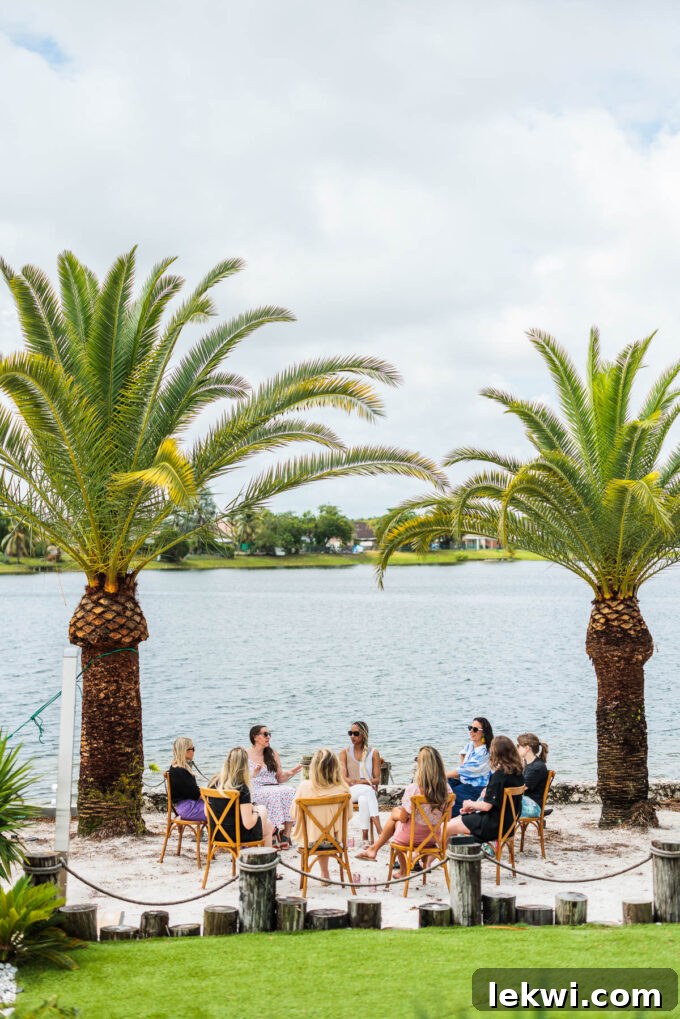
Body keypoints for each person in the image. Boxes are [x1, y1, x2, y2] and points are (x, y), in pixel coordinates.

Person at [355, 745, 450, 874]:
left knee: (396, 822)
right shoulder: (447, 790)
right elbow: (447, 819)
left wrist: (396, 812)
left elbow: (404, 818)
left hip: (410, 838)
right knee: (398, 816)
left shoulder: (414, 789)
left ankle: (401, 870)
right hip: (433, 837)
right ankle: (374, 849)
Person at [446, 735, 524, 842]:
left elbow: (486, 806)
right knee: (456, 821)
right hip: (508, 825)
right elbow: (498, 803)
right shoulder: (518, 773)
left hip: (492, 826)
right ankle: (450, 855)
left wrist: (469, 803)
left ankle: (431, 856)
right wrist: (474, 807)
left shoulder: (500, 776)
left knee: (445, 827)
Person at [292, 747, 352, 882]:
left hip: (311, 842)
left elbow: (294, 815)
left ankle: (324, 872)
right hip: (335, 842)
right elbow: (348, 816)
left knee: (317, 830)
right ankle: (325, 872)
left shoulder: (304, 787)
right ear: (335, 767)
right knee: (326, 830)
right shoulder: (343, 788)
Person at [206, 747, 273, 847]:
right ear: (244, 765)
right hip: (237, 836)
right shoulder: (242, 788)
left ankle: (264, 857)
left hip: (217, 834)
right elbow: (248, 824)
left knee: (268, 826)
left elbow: (206, 813)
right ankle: (264, 859)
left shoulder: (213, 783)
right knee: (262, 810)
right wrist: (255, 811)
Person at [248, 724, 302, 845]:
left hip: (273, 785)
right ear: (255, 737)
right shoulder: (245, 754)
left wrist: (291, 773)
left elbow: (279, 778)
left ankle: (286, 834)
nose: (268, 737)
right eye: (265, 734)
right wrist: (254, 773)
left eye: (269, 734)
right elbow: (241, 778)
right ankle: (271, 832)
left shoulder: (272, 753)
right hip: (255, 788)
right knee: (273, 794)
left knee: (291, 791)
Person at [339, 721, 383, 844]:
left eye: (356, 733)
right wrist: (361, 783)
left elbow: (377, 779)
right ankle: (380, 830)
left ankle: (365, 837)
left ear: (363, 734)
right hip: (350, 792)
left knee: (364, 798)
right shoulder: (344, 753)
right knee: (368, 790)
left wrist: (358, 781)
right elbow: (343, 778)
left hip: (366, 791)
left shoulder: (374, 752)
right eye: (350, 733)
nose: (352, 736)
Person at [446, 716, 493, 817]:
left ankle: (446, 820)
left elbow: (463, 770)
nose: (471, 731)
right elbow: (462, 754)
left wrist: (439, 774)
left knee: (448, 796)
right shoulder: (471, 744)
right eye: (470, 728)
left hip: (476, 788)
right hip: (463, 781)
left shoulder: (484, 753)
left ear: (484, 732)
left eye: (475, 729)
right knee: (440, 786)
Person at [167, 736, 206, 821]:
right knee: (220, 810)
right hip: (189, 809)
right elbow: (196, 794)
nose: (193, 751)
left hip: (184, 807)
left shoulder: (174, 767)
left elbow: (191, 790)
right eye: (193, 748)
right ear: (185, 751)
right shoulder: (181, 771)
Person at [517, 732, 550, 818]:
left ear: (527, 748)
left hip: (533, 807)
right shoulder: (528, 763)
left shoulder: (537, 767)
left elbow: (521, 788)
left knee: (500, 806)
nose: (517, 749)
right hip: (527, 802)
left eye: (518, 746)